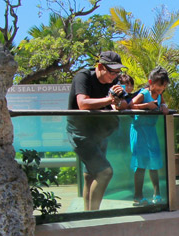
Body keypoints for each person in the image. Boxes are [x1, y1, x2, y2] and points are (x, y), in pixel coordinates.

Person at [67, 51, 129, 211]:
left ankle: (88, 215)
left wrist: (120, 100)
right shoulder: (84, 77)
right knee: (105, 173)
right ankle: (95, 214)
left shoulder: (112, 82)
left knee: (91, 175)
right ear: (100, 67)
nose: (115, 76)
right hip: (81, 134)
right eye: (112, 71)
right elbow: (83, 103)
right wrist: (109, 99)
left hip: (100, 132)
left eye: (118, 72)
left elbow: (118, 106)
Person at [129, 67, 170, 206]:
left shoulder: (159, 94)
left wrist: (164, 106)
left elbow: (162, 102)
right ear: (151, 82)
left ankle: (157, 193)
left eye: (164, 86)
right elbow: (130, 105)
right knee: (141, 164)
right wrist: (146, 106)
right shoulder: (144, 93)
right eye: (159, 85)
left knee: (154, 162)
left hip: (151, 131)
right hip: (140, 130)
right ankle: (138, 196)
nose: (161, 89)